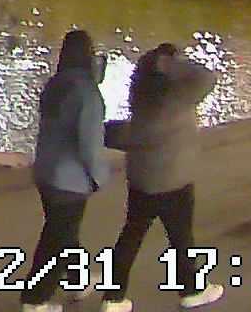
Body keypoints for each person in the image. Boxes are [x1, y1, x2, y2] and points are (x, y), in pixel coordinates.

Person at [104, 42, 224, 310]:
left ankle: (113, 297)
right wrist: (172, 63)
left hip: (142, 180)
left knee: (130, 238)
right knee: (182, 239)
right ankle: (191, 290)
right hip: (174, 181)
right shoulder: (178, 95)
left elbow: (128, 133)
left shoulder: (140, 94)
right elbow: (208, 78)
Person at [21, 29, 109, 307]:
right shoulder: (88, 94)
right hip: (70, 180)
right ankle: (35, 300)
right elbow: (89, 144)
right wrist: (98, 177)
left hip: (46, 172)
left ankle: (79, 279)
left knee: (64, 232)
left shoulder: (55, 84)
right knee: (56, 240)